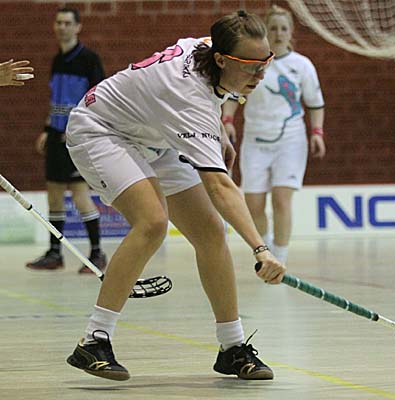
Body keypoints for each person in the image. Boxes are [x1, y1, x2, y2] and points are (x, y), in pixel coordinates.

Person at [64, 10, 286, 381]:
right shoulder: (188, 98)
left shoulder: (208, 48)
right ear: (222, 59)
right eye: (251, 66)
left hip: (154, 134)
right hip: (101, 130)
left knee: (210, 231)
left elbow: (206, 96)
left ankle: (232, 347)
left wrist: (219, 132)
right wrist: (261, 249)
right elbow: (220, 187)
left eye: (266, 63)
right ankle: (93, 341)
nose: (260, 75)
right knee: (152, 222)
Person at [222, 5, 326, 264]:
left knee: (281, 200)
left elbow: (315, 104)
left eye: (283, 29)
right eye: (273, 28)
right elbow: (234, 95)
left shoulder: (302, 65)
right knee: (254, 205)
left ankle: (280, 258)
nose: (279, 33)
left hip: (290, 140)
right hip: (255, 140)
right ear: (265, 33)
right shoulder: (253, 64)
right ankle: (266, 250)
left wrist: (317, 132)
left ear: (291, 33)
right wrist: (227, 120)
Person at [26, 7, 107, 274]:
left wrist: (81, 130)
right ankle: (54, 253)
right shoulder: (57, 60)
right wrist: (47, 128)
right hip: (55, 137)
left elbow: (98, 100)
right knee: (54, 196)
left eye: (67, 23)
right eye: (58, 22)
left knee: (80, 195)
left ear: (78, 27)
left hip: (75, 139)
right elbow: (56, 101)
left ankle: (97, 252)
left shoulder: (89, 60)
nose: (62, 27)